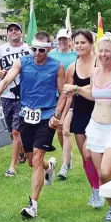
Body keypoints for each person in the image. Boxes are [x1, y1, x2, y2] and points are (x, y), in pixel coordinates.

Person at [0, 31, 67, 219]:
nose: (37, 53)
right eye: (34, 49)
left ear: (49, 49)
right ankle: (49, 168)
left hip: (46, 115)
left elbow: (63, 93)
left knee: (37, 159)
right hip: (26, 115)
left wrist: (57, 115)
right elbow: (7, 80)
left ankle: (33, 205)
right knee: (32, 161)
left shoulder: (56, 67)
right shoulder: (22, 62)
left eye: (41, 50)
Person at [63, 36, 111, 222]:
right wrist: (77, 89)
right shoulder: (94, 73)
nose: (103, 54)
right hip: (95, 127)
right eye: (101, 50)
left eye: (107, 51)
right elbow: (94, 94)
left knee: (105, 171)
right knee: (100, 174)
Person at [63, 29, 104, 208]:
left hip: (99, 112)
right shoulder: (72, 67)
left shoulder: (99, 64)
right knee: (85, 156)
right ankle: (96, 191)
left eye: (83, 43)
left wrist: (77, 88)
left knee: (94, 155)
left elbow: (99, 87)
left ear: (91, 44)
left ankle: (106, 186)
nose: (79, 46)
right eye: (77, 42)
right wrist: (62, 116)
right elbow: (67, 94)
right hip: (79, 112)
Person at [0, 23, 31, 177]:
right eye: (10, 30)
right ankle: (20, 149)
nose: (13, 32)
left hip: (22, 95)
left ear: (21, 33)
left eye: (16, 30)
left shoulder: (28, 50)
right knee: (10, 131)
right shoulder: (1, 49)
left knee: (16, 131)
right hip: (6, 94)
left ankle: (12, 166)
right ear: (8, 34)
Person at [48, 28, 78, 179]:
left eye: (65, 39)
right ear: (56, 40)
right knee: (59, 130)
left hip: (72, 96)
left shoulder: (75, 55)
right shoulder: (51, 55)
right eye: (60, 39)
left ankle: (65, 164)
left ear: (69, 40)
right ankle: (68, 154)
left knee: (65, 129)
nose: (62, 42)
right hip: (55, 96)